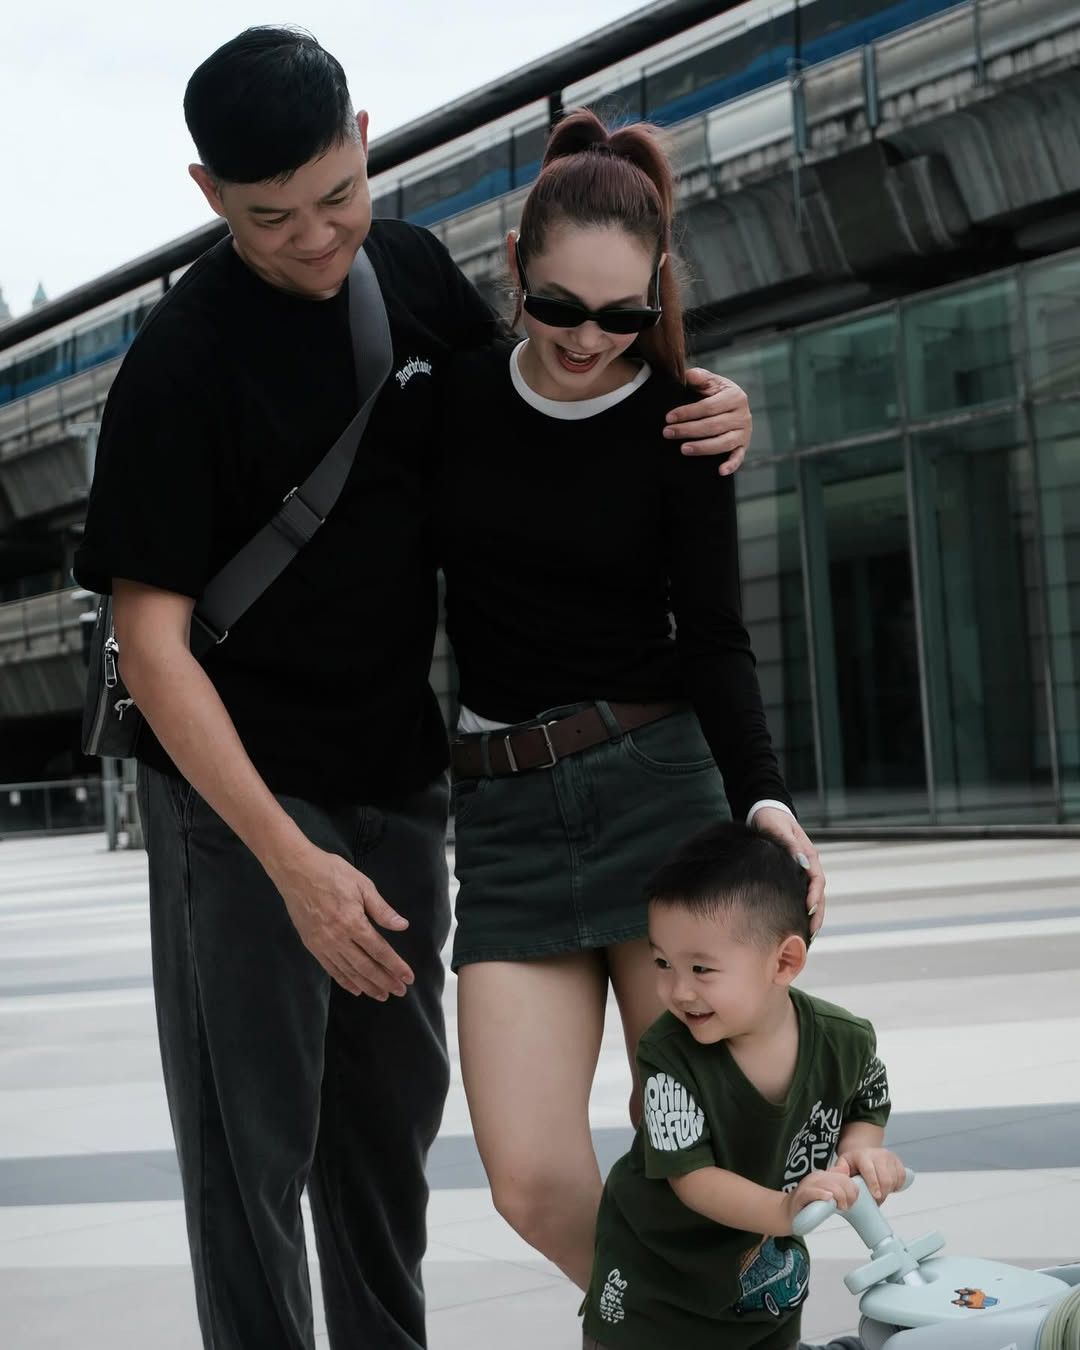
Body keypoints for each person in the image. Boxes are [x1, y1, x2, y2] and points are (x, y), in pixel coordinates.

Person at [72, 29, 757, 1350]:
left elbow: (553, 396)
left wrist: (705, 401)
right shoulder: (178, 363)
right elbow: (151, 649)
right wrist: (291, 864)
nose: (316, 236)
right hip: (239, 809)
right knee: (250, 1158)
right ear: (210, 193)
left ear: (365, 141)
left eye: (338, 195)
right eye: (270, 216)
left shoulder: (412, 273)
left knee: (384, 1148)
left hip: (399, 787)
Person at [438, 108, 826, 1293]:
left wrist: (765, 798)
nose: (587, 339)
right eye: (558, 307)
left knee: (712, 1152)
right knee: (531, 1180)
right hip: (504, 821)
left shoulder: (681, 421)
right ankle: (690, 1322)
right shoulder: (448, 402)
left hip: (657, 795)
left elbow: (714, 637)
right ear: (514, 265)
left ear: (656, 291)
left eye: (621, 315)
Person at [580, 821, 902, 1350]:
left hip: (762, 1292)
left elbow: (867, 1100)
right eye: (662, 963)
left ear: (784, 961)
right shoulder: (667, 1055)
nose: (677, 991)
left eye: (701, 969)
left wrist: (860, 1154)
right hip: (654, 1294)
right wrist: (784, 1211)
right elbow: (692, 1177)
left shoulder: (843, 1040)